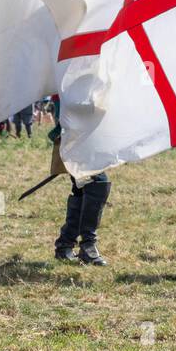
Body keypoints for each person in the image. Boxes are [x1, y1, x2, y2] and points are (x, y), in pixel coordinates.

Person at [50, 95, 111, 266]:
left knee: (83, 188)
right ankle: (88, 246)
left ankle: (65, 244)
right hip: (76, 128)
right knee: (97, 183)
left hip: (82, 127)